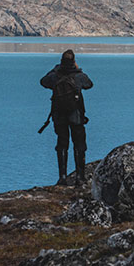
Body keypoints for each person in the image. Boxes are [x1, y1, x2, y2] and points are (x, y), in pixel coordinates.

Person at [40, 49, 93, 184]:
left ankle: (62, 177)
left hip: (59, 114)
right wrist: (78, 70)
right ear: (73, 62)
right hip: (76, 114)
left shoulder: (55, 76)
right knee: (79, 145)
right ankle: (80, 177)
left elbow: (43, 81)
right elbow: (89, 84)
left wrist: (55, 69)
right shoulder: (78, 76)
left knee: (62, 144)